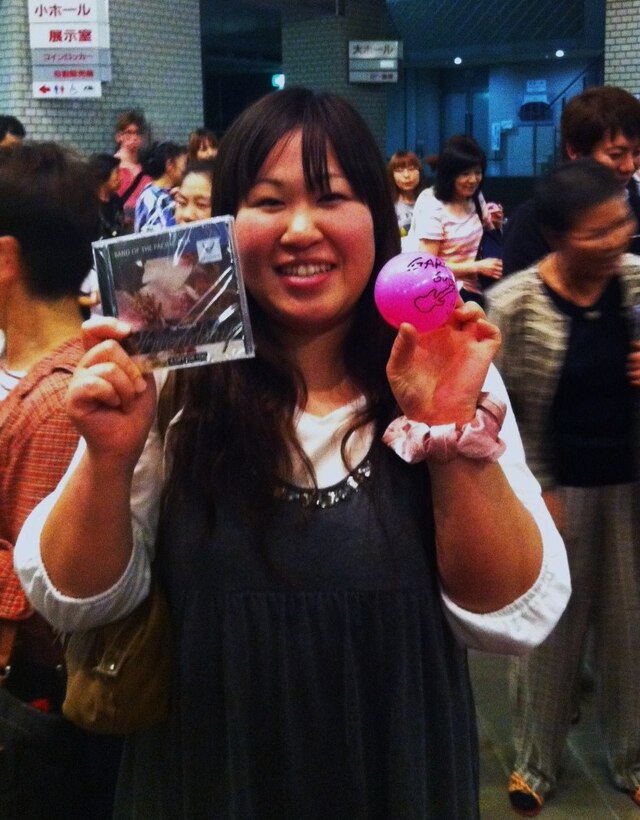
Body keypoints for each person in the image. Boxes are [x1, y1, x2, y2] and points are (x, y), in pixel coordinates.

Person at [15, 88, 570, 819]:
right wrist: (107, 458)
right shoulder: (172, 378)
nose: (301, 230)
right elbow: (78, 598)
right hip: (208, 765)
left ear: (378, 216)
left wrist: (446, 435)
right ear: (226, 225)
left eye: (331, 198)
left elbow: (504, 614)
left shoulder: (445, 366)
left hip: (396, 760)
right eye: (268, 202)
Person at [486, 159, 640, 815]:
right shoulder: (516, 303)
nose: (615, 241)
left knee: (629, 633)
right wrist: (535, 487)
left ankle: (632, 760)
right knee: (548, 632)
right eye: (596, 231)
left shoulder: (637, 283)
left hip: (630, 485)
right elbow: (505, 413)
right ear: (555, 235)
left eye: (621, 224)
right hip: (555, 487)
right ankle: (535, 764)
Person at [0, 142, 121, 819]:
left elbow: (48, 594)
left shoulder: (64, 401)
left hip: (36, 710)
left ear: (5, 259)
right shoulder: (18, 364)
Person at [503, 85, 640, 275]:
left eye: (637, 153)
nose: (629, 166)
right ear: (574, 151)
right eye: (615, 155)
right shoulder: (531, 221)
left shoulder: (635, 206)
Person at [407, 134, 503, 304]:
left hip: (480, 288)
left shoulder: (475, 197)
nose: (473, 180)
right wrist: (477, 267)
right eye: (465, 174)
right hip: (444, 293)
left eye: (478, 172)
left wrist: (496, 221)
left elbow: (488, 234)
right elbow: (427, 267)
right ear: (450, 175)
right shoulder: (433, 205)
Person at [134, 140, 188, 232]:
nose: (186, 170)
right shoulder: (160, 200)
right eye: (184, 164)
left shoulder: (149, 192)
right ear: (169, 164)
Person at [113, 109, 152, 230]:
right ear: (119, 136)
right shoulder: (112, 168)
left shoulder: (146, 169)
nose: (134, 138)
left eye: (137, 133)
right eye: (128, 133)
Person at [387, 150, 428, 247]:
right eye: (399, 170)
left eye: (411, 169)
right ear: (392, 175)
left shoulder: (430, 202)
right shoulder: (387, 205)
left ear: (419, 172)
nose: (406, 175)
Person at [88, 152, 125, 240]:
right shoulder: (88, 203)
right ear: (104, 174)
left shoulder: (116, 200)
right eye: (117, 173)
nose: (120, 177)